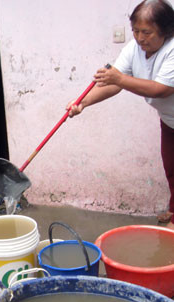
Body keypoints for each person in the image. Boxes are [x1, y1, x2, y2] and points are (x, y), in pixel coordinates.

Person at [67, 0, 174, 229]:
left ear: (165, 30)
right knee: (171, 170)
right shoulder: (135, 48)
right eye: (135, 30)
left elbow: (161, 89)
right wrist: (82, 103)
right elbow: (113, 84)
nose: (139, 37)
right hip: (169, 121)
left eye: (147, 32)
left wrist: (119, 79)